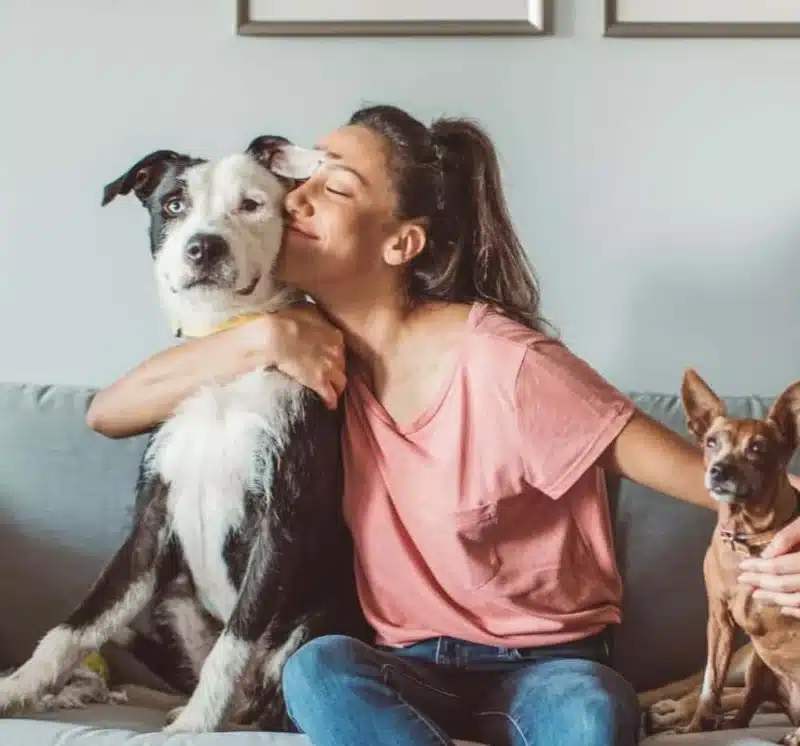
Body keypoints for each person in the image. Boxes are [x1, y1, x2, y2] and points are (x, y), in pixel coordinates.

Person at [87, 105, 800, 746]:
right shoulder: (297, 343)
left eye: (332, 187)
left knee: (590, 714)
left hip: (545, 666)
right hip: (403, 665)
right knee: (317, 672)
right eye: (302, 177)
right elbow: (107, 412)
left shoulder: (509, 365)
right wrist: (257, 341)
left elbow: (715, 481)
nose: (295, 195)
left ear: (400, 244)